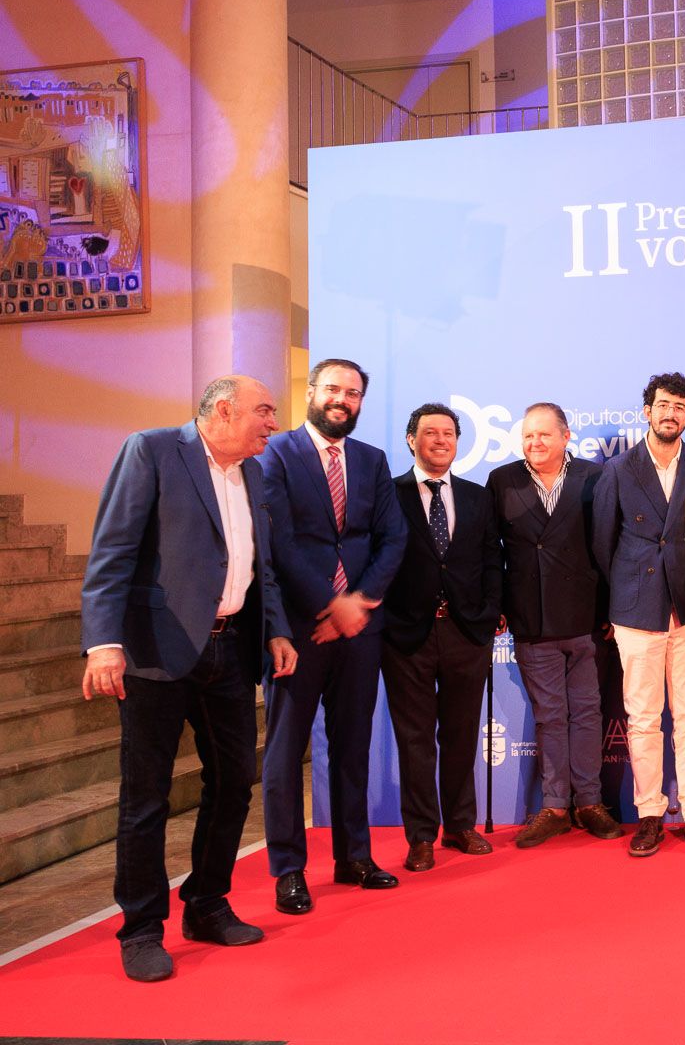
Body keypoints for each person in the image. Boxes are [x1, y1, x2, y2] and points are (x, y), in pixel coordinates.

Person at [79, 376, 297, 982]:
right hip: (155, 652)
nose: (273, 422)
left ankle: (206, 903)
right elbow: (113, 551)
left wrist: (276, 629)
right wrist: (103, 643)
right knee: (146, 795)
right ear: (223, 410)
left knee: (234, 781)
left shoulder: (254, 472)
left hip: (231, 651)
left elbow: (259, 565)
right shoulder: (151, 450)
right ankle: (141, 929)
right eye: (264, 410)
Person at [259, 358, 407, 914]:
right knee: (284, 751)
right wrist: (330, 604)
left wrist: (359, 602)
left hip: (360, 629)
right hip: (298, 629)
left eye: (353, 392)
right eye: (333, 389)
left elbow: (393, 537)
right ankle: (288, 871)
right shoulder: (276, 453)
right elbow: (277, 541)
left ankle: (355, 857)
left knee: (353, 745)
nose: (342, 399)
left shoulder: (371, 460)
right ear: (312, 392)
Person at [592, 373, 685, 856]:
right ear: (647, 411)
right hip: (636, 608)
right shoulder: (618, 469)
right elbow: (603, 543)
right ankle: (649, 813)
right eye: (663, 405)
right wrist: (624, 596)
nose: (671, 413)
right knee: (643, 717)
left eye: (680, 407)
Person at [485, 402, 620, 848]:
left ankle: (590, 803)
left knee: (587, 714)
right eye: (528, 435)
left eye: (544, 434)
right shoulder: (502, 480)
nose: (534, 442)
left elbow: (611, 546)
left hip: (587, 620)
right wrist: (496, 604)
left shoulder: (595, 477)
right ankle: (556, 806)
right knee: (549, 717)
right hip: (531, 621)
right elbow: (489, 552)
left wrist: (612, 609)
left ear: (565, 436)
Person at [379, 402, 503, 873]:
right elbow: (377, 559)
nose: (440, 440)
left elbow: (492, 559)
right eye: (430, 432)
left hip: (466, 632)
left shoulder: (477, 496)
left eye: (448, 433)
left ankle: (460, 825)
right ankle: (421, 836)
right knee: (414, 740)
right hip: (406, 635)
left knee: (461, 735)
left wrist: (488, 613)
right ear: (411, 439)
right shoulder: (388, 495)